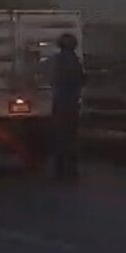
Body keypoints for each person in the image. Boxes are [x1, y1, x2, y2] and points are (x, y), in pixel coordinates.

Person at [50, 33, 86, 180]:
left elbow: (51, 75)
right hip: (72, 103)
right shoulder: (75, 60)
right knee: (71, 137)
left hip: (61, 102)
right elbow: (82, 79)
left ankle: (61, 169)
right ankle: (71, 169)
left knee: (61, 137)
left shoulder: (59, 60)